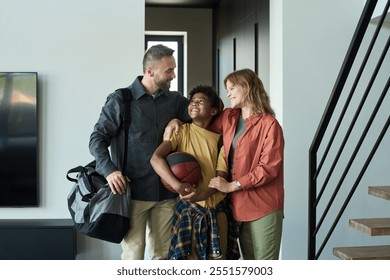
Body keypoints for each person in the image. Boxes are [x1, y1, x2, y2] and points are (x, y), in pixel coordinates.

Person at [89, 44, 191, 260]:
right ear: (150, 71)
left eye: (173, 69)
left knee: (162, 256)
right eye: (169, 71)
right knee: (133, 257)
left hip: (167, 194)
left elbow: (202, 116)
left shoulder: (176, 101)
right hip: (132, 194)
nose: (173, 75)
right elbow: (97, 139)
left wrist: (178, 119)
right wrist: (109, 170)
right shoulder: (120, 100)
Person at [150, 85, 240, 260]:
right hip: (188, 211)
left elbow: (220, 177)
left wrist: (203, 194)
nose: (194, 104)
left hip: (216, 210)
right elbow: (156, 158)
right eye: (192, 101)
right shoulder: (180, 132)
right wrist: (178, 185)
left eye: (201, 101)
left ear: (213, 110)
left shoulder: (221, 141)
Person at [208, 68, 284, 260]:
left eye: (232, 88)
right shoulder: (228, 117)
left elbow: (268, 168)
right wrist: (174, 122)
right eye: (227, 89)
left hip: (264, 207)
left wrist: (232, 186)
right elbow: (202, 126)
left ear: (247, 87)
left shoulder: (270, 124)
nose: (228, 93)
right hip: (237, 207)